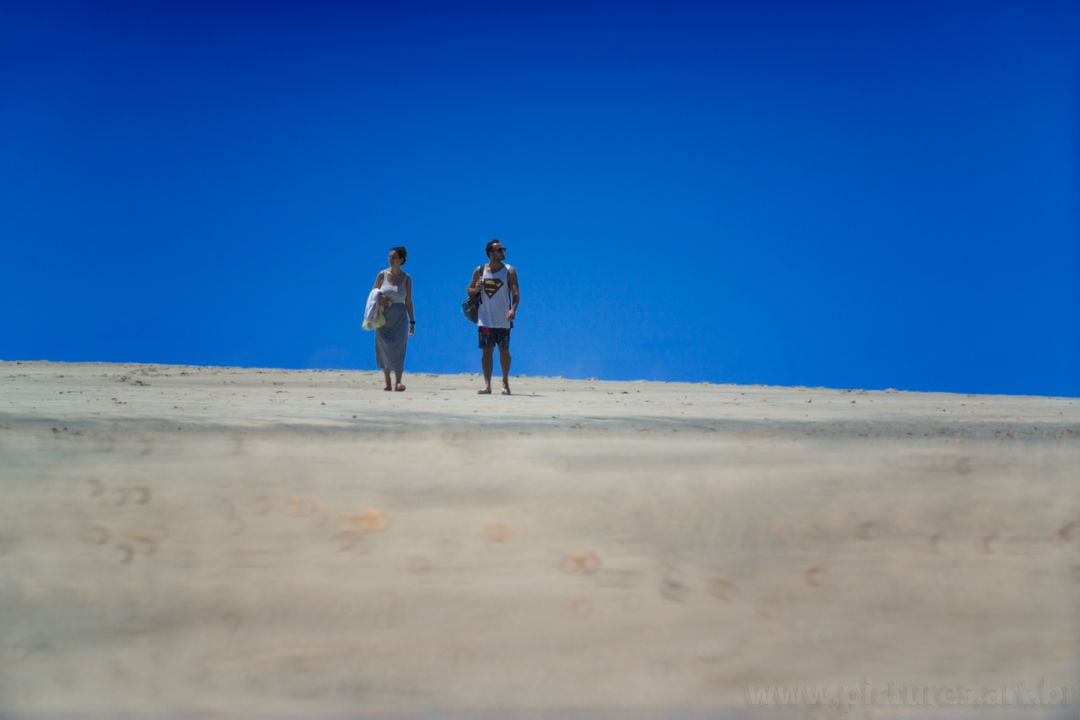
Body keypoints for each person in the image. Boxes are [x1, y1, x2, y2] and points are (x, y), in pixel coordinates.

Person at [466, 238, 520, 395]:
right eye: (499, 249)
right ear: (491, 253)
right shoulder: (480, 270)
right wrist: (475, 289)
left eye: (503, 249)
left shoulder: (509, 271)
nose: (503, 252)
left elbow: (516, 294)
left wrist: (513, 310)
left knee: (504, 350)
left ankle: (505, 382)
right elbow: (468, 290)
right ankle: (487, 385)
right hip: (485, 319)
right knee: (486, 351)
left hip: (504, 319)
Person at [372, 246, 414, 391]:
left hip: (400, 316)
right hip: (383, 316)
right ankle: (387, 382)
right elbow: (373, 293)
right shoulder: (382, 275)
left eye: (394, 257)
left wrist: (413, 321)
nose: (390, 259)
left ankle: (398, 382)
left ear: (401, 260)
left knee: (399, 348)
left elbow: (408, 301)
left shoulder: (407, 279)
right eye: (389, 257)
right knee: (383, 347)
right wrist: (380, 297)